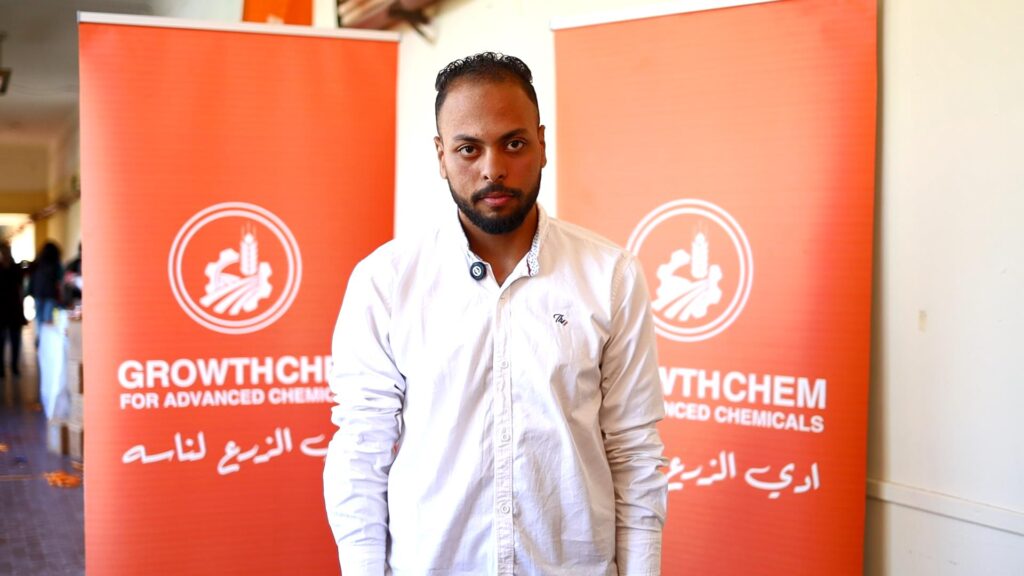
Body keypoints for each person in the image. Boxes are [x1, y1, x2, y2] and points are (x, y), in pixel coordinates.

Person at [325, 52, 667, 576]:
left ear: (542, 145)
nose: (493, 169)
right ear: (441, 156)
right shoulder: (386, 281)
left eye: (514, 143)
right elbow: (360, 449)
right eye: (469, 148)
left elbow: (634, 449)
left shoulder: (610, 276)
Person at [0, 242, 25, 401]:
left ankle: (14, 366)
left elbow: (21, 285)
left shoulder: (15, 268)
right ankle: (1, 368)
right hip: (1, 310)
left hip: (14, 308)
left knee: (16, 340)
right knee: (0, 341)